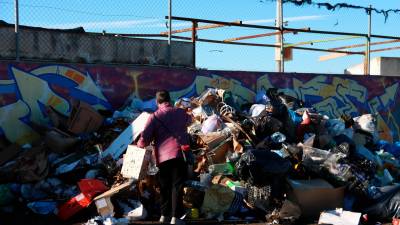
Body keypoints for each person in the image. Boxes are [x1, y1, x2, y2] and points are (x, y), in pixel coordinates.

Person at [137, 90, 192, 225]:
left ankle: (164, 216)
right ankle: (176, 218)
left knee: (164, 186)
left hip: (162, 157)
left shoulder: (154, 117)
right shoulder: (180, 112)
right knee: (176, 186)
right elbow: (190, 120)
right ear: (170, 100)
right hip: (179, 154)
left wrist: (139, 144)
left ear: (157, 102)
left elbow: (144, 140)